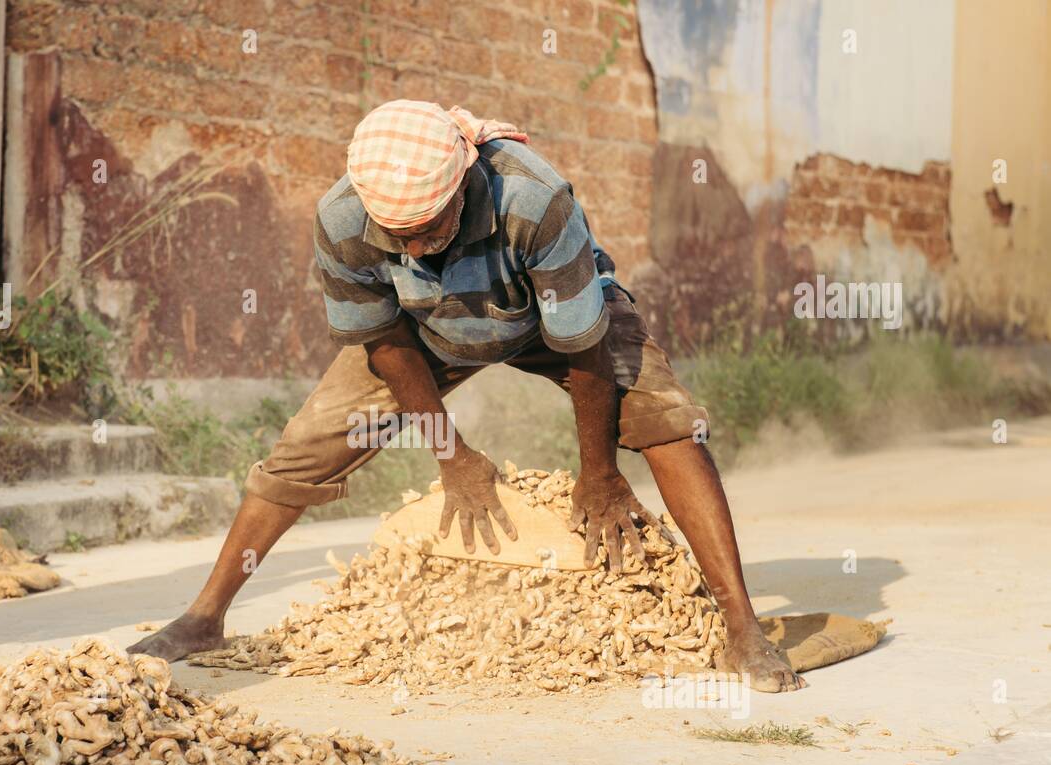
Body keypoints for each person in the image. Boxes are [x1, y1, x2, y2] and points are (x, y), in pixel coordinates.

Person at [130, 100, 804, 693]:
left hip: (557, 322)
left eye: (432, 226)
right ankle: (205, 616)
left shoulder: (534, 201)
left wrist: (599, 474)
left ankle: (742, 625)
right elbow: (386, 339)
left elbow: (584, 343)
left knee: (669, 421)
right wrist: (450, 454)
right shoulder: (343, 219)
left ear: (464, 180)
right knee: (303, 449)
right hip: (423, 333)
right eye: (403, 238)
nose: (419, 247)